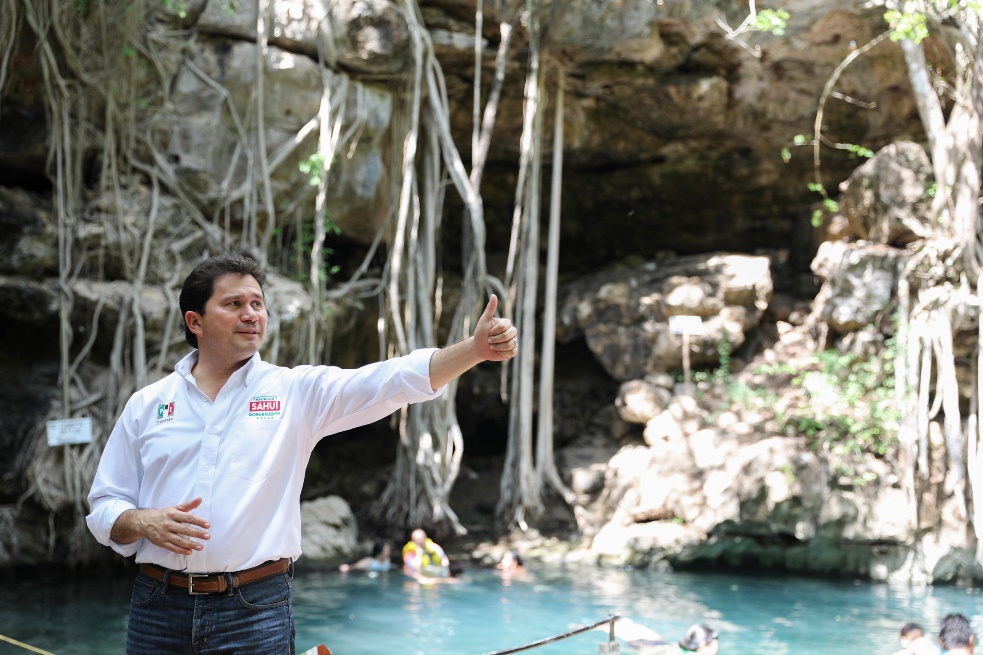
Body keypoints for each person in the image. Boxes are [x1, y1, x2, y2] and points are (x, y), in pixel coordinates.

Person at [85, 253, 519, 655]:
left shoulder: (294, 391)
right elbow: (105, 505)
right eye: (234, 303)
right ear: (195, 321)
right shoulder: (147, 404)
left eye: (257, 303)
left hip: (254, 609)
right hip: (157, 606)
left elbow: (387, 381)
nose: (251, 314)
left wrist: (474, 351)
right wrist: (142, 521)